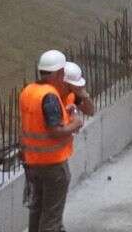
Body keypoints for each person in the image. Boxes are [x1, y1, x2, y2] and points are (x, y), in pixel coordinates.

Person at [19, 49, 84, 232]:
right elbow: (55, 130)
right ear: (58, 73)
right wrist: (76, 123)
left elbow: (31, 125)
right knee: (51, 217)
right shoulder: (49, 96)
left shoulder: (28, 91)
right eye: (62, 73)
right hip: (53, 164)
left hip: (33, 162)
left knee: (37, 210)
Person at [58, 61, 93, 126]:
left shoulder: (72, 94)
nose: (77, 86)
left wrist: (85, 96)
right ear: (64, 83)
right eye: (74, 84)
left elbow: (90, 112)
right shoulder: (51, 96)